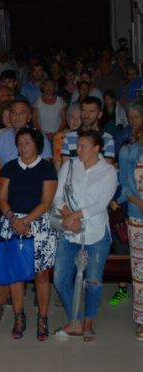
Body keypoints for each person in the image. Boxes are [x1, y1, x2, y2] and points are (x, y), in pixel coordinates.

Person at [53, 130, 117, 342]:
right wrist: (68, 218)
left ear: (97, 148)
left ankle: (88, 323)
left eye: (83, 147)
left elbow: (100, 204)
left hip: (96, 234)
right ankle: (75, 321)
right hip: (69, 233)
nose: (78, 150)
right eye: (78, 146)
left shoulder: (108, 171)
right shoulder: (70, 165)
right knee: (61, 279)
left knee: (93, 281)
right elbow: (57, 195)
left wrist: (74, 216)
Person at [0, 128, 58, 341]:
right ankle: (19, 316)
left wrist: (25, 222)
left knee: (41, 275)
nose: (23, 147)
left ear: (37, 145)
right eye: (20, 143)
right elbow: (1, 198)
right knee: (16, 273)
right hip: (13, 222)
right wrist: (14, 220)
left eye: (27, 143)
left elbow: (46, 202)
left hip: (38, 224)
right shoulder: (9, 167)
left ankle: (42, 317)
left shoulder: (47, 169)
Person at [117, 119, 143, 339]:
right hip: (138, 216)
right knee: (140, 272)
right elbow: (125, 185)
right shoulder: (129, 151)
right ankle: (142, 319)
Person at [61, 97, 115, 165]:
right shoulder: (69, 137)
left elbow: (107, 170)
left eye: (91, 111)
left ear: (100, 114)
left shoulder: (108, 139)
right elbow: (66, 168)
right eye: (83, 111)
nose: (86, 115)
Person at [52, 103, 82, 172]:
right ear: (68, 120)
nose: (75, 120)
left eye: (79, 117)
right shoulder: (59, 137)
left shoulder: (86, 135)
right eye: (73, 117)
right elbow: (58, 164)